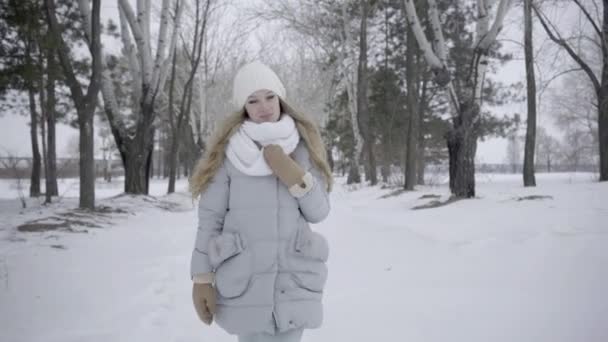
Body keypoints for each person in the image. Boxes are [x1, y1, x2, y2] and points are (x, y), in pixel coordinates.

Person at [189, 61, 333, 342]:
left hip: (294, 279)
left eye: (269, 97)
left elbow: (319, 212)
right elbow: (210, 220)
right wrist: (202, 278)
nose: (263, 106)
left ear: (281, 98)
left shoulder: (302, 148)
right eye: (253, 100)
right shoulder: (230, 153)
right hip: (246, 281)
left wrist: (292, 174)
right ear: (243, 107)